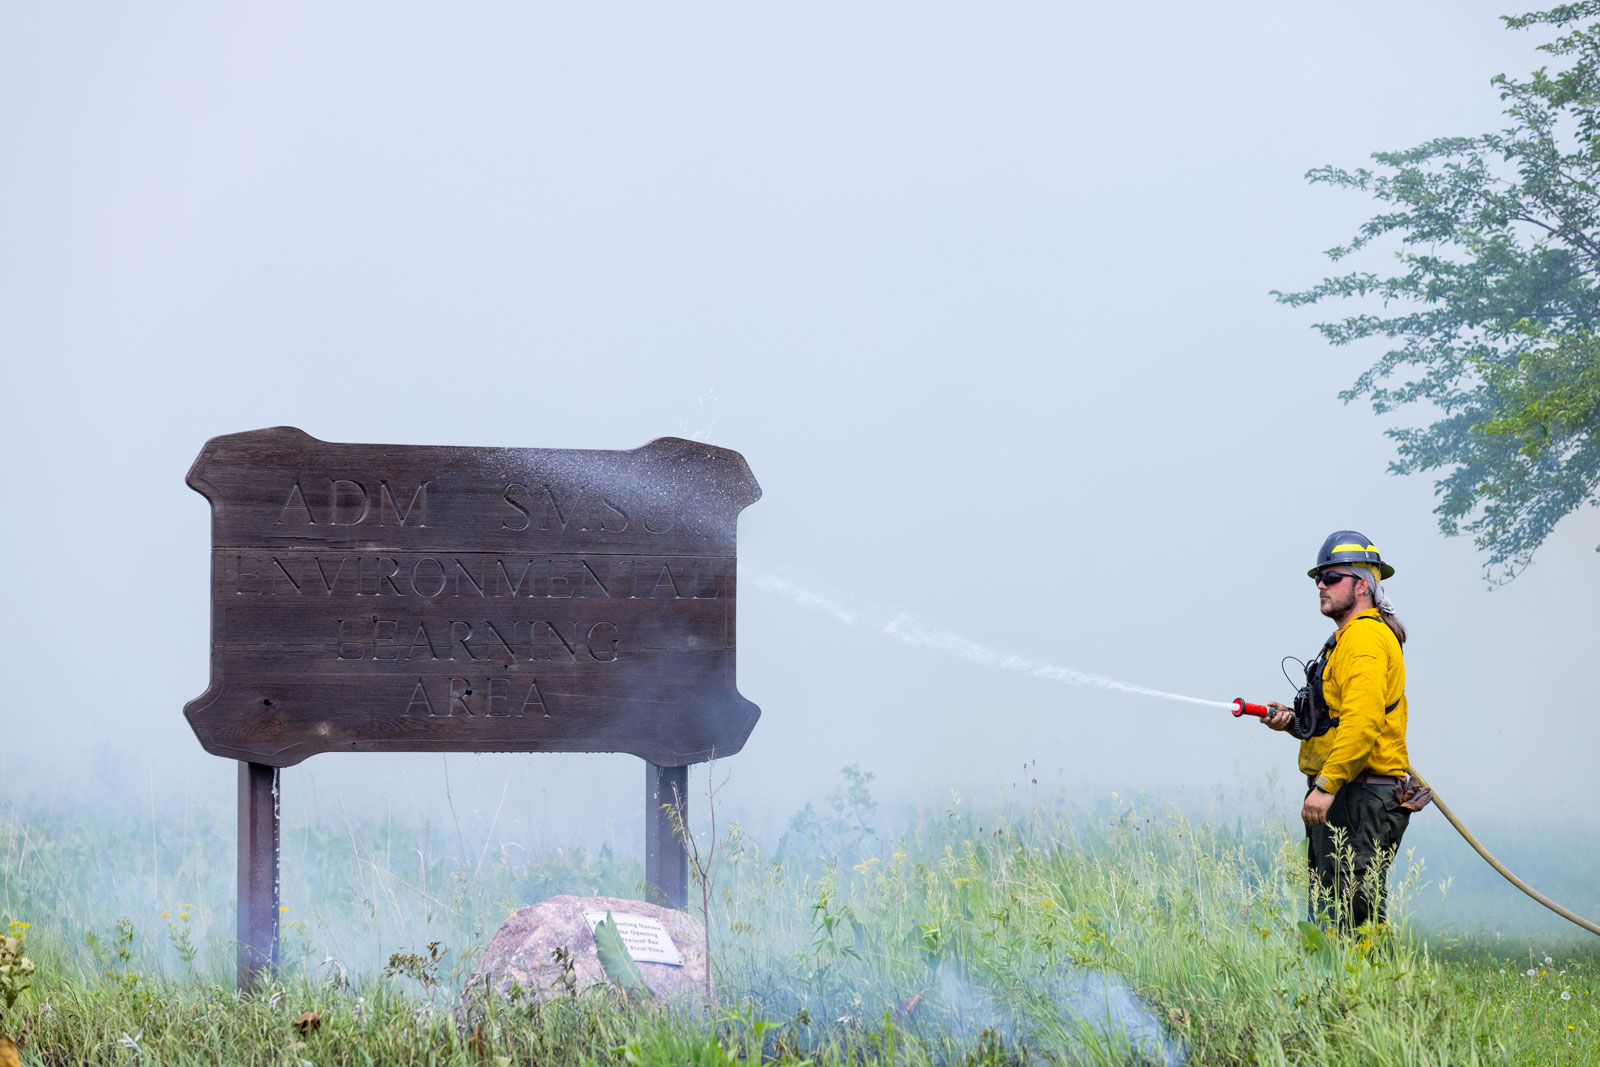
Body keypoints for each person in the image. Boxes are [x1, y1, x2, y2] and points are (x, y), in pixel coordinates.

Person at [1262, 531, 1412, 931]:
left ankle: (1370, 992)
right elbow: (1341, 720)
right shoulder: (1348, 638)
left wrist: (1325, 787)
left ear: (1363, 585)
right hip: (1350, 789)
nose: (1320, 586)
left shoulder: (1365, 638)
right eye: (1319, 578)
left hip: (1358, 794)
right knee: (1333, 915)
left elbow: (1363, 724)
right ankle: (1337, 993)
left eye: (1331, 578)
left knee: (1353, 919)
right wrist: (1295, 722)